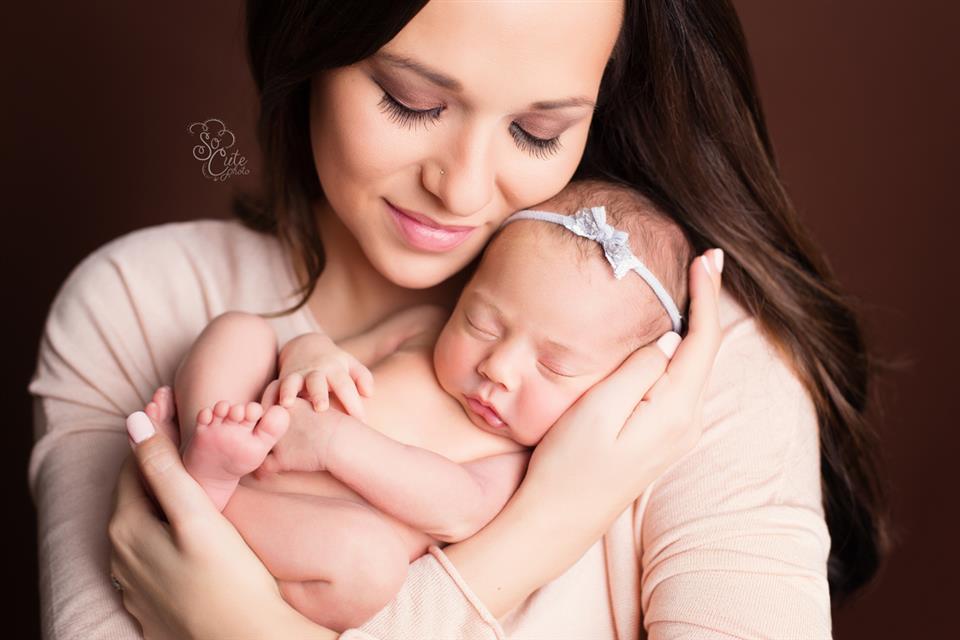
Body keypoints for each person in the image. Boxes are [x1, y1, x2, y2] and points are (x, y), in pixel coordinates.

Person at [29, 1, 887, 638]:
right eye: (411, 102)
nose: (464, 188)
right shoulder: (139, 304)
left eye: (538, 130)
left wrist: (246, 632)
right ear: (315, 40)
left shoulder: (679, 361)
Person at [157, 179, 692, 631]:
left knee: (371, 565)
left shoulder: (523, 460)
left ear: (613, 389)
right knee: (241, 331)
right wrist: (309, 358)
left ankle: (207, 492)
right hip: (257, 430)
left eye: (553, 367)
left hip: (300, 528)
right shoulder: (421, 329)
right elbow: (326, 352)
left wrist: (333, 444)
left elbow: (458, 510)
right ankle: (204, 449)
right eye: (480, 323)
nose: (497, 367)